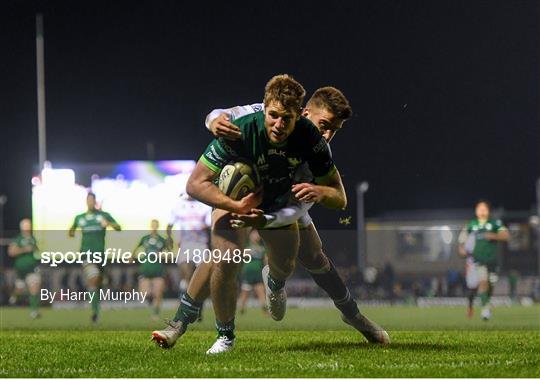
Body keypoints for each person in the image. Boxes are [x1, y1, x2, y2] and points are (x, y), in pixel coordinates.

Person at [152, 83, 389, 351]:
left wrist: (267, 220)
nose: (328, 133)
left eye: (334, 129)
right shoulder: (261, 116)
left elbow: (303, 206)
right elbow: (222, 114)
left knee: (313, 257)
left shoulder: (312, 146)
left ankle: (349, 314)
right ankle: (182, 323)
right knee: (224, 255)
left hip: (283, 203)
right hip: (243, 192)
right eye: (325, 124)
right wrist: (213, 121)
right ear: (304, 112)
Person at [69, 192, 121, 323]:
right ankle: (94, 312)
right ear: (86, 201)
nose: (90, 202)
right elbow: (71, 231)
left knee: (98, 284)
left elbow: (118, 228)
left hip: (100, 255)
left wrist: (108, 223)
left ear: (95, 201)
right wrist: (71, 232)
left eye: (92, 200)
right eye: (88, 200)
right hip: (86, 254)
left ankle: (96, 310)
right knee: (93, 278)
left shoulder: (103, 215)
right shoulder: (80, 217)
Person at [458, 200, 509, 320]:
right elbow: (461, 241)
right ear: (476, 211)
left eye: (484, 208)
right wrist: (461, 250)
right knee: (483, 282)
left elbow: (506, 236)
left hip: (492, 261)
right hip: (478, 261)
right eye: (479, 208)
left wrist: (493, 236)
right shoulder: (471, 225)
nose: (482, 210)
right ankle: (485, 310)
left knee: (490, 285)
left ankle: (486, 303)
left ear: (488, 210)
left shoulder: (495, 223)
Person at [167, 193, 212, 318]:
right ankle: (186, 310)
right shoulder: (178, 206)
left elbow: (209, 226)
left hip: (201, 245)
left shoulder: (204, 205)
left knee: (201, 280)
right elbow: (169, 225)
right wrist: (170, 239)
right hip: (186, 245)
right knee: (187, 277)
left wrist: (204, 230)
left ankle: (199, 308)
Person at [134, 219, 169, 320]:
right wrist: (131, 257)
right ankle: (150, 300)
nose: (154, 227)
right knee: (144, 294)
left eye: (155, 225)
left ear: (157, 226)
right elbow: (135, 249)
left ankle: (155, 314)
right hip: (146, 268)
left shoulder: (162, 240)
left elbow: (169, 252)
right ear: (151, 226)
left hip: (158, 268)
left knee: (158, 293)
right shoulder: (144, 238)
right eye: (152, 225)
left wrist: (165, 256)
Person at [8, 218, 41, 319]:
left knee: (34, 287)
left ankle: (34, 312)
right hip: (21, 269)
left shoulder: (33, 238)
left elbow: (36, 251)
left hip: (32, 268)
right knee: (20, 289)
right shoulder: (18, 239)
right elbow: (11, 252)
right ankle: (14, 296)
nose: (28, 228)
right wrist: (24, 249)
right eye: (26, 226)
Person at [237, 230, 267, 315]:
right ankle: (241, 310)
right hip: (247, 273)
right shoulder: (246, 246)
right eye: (254, 234)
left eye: (257, 235)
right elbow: (242, 255)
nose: (256, 236)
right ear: (250, 236)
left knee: (261, 292)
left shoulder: (262, 248)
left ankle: (265, 310)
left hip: (258, 273)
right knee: (245, 293)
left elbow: (265, 260)